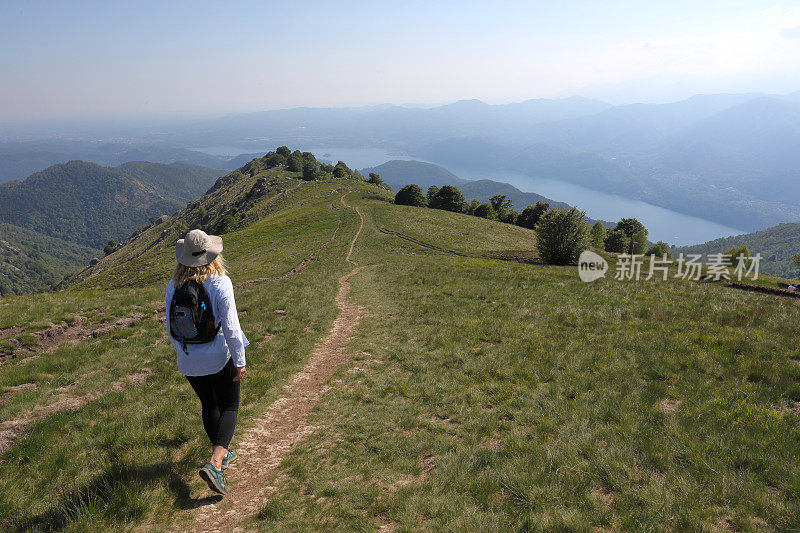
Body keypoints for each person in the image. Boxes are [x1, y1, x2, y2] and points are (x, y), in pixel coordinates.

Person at [165, 229, 249, 495]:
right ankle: (215, 463)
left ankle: (221, 454)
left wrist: (183, 352)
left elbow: (169, 328)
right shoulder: (220, 282)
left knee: (208, 404)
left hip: (188, 359)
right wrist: (240, 359)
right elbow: (232, 328)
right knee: (230, 406)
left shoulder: (174, 284)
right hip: (217, 356)